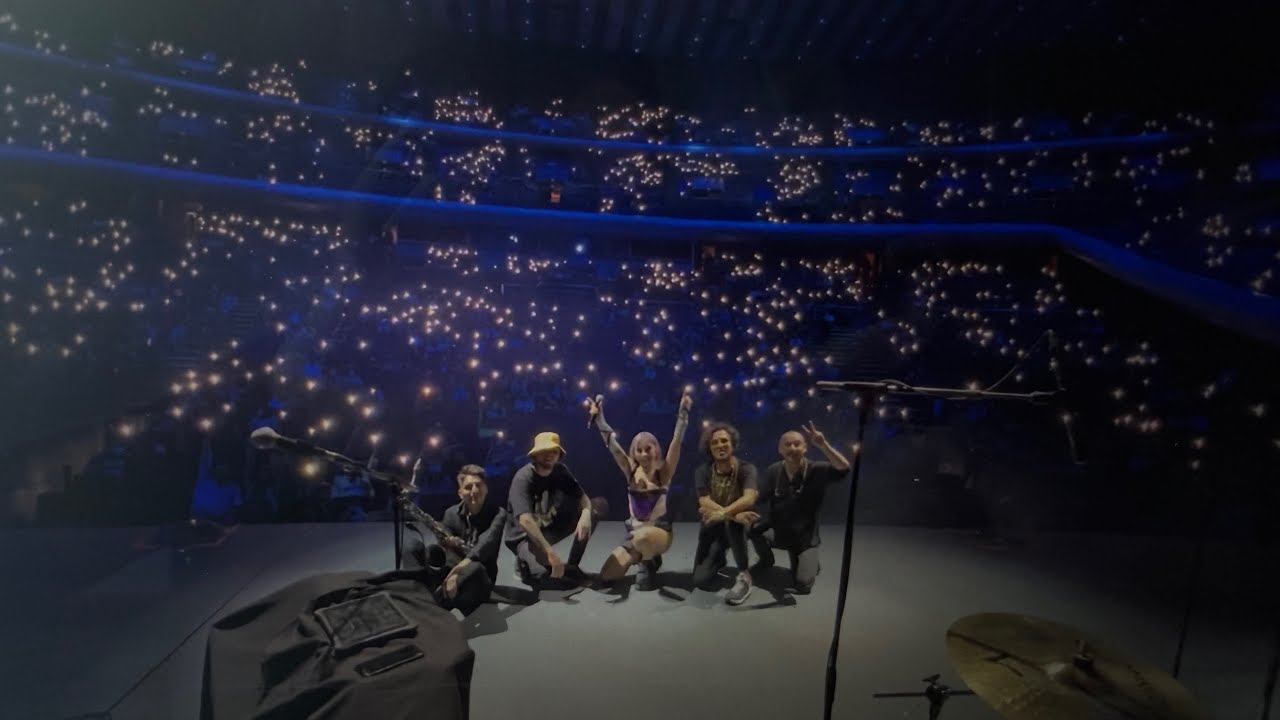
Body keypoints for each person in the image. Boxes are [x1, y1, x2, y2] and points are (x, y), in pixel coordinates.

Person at [586, 391, 692, 591]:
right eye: (639, 450)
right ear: (634, 452)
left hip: (659, 533)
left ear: (656, 449)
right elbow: (613, 445)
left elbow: (676, 443)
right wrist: (599, 419)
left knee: (643, 538)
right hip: (635, 534)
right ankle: (646, 559)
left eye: (648, 449)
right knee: (606, 576)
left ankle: (648, 561)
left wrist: (683, 412)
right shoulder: (630, 470)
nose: (644, 454)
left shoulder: (664, 472)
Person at [747, 423, 851, 594]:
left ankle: (808, 558)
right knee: (747, 526)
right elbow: (758, 498)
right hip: (779, 533)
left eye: (797, 444)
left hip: (804, 539)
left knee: (803, 585)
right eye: (787, 444)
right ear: (780, 449)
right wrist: (739, 508)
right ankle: (766, 560)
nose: (792, 448)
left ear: (805, 448)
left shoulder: (817, 469)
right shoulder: (774, 470)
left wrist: (823, 445)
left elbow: (844, 469)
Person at [406, 464, 508, 615]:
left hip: (479, 577)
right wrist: (444, 544)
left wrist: (456, 573)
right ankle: (416, 590)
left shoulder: (499, 513)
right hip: (452, 570)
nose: (474, 490)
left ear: (486, 488)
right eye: (468, 487)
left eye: (478, 485)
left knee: (475, 567)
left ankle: (432, 603)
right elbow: (444, 552)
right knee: (415, 546)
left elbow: (485, 546)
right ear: (460, 493)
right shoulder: (451, 513)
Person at [503, 432, 603, 587]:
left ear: (559, 455)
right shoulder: (523, 477)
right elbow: (525, 520)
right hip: (525, 536)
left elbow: (583, 497)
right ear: (535, 455)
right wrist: (550, 552)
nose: (549, 455)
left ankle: (572, 567)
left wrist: (585, 514)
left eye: (553, 451)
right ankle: (523, 560)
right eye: (544, 451)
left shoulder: (561, 471)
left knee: (597, 507)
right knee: (541, 576)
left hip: (549, 526)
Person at [691, 422, 760, 605]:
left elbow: (749, 498)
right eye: (715, 442)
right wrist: (730, 514)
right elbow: (704, 501)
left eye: (724, 441)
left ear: (732, 444)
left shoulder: (746, 469)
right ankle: (719, 558)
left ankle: (745, 576)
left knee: (735, 523)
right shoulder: (703, 471)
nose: (720, 445)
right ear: (709, 447)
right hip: (716, 527)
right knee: (700, 580)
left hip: (740, 526)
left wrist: (725, 515)